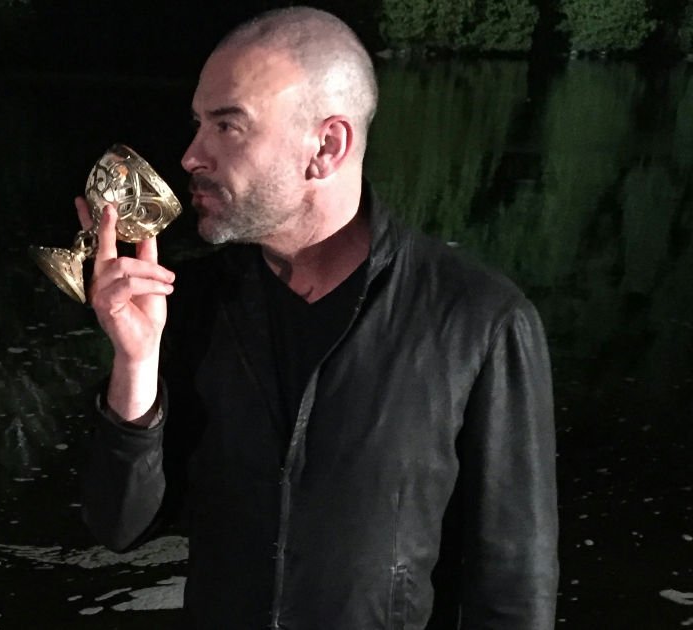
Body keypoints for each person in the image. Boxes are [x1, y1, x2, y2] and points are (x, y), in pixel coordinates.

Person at [77, 6, 558, 629]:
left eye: (228, 126)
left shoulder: (479, 321)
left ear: (327, 147)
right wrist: (136, 364)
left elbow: (513, 591)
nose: (192, 155)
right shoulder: (187, 304)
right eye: (198, 124)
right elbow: (119, 526)